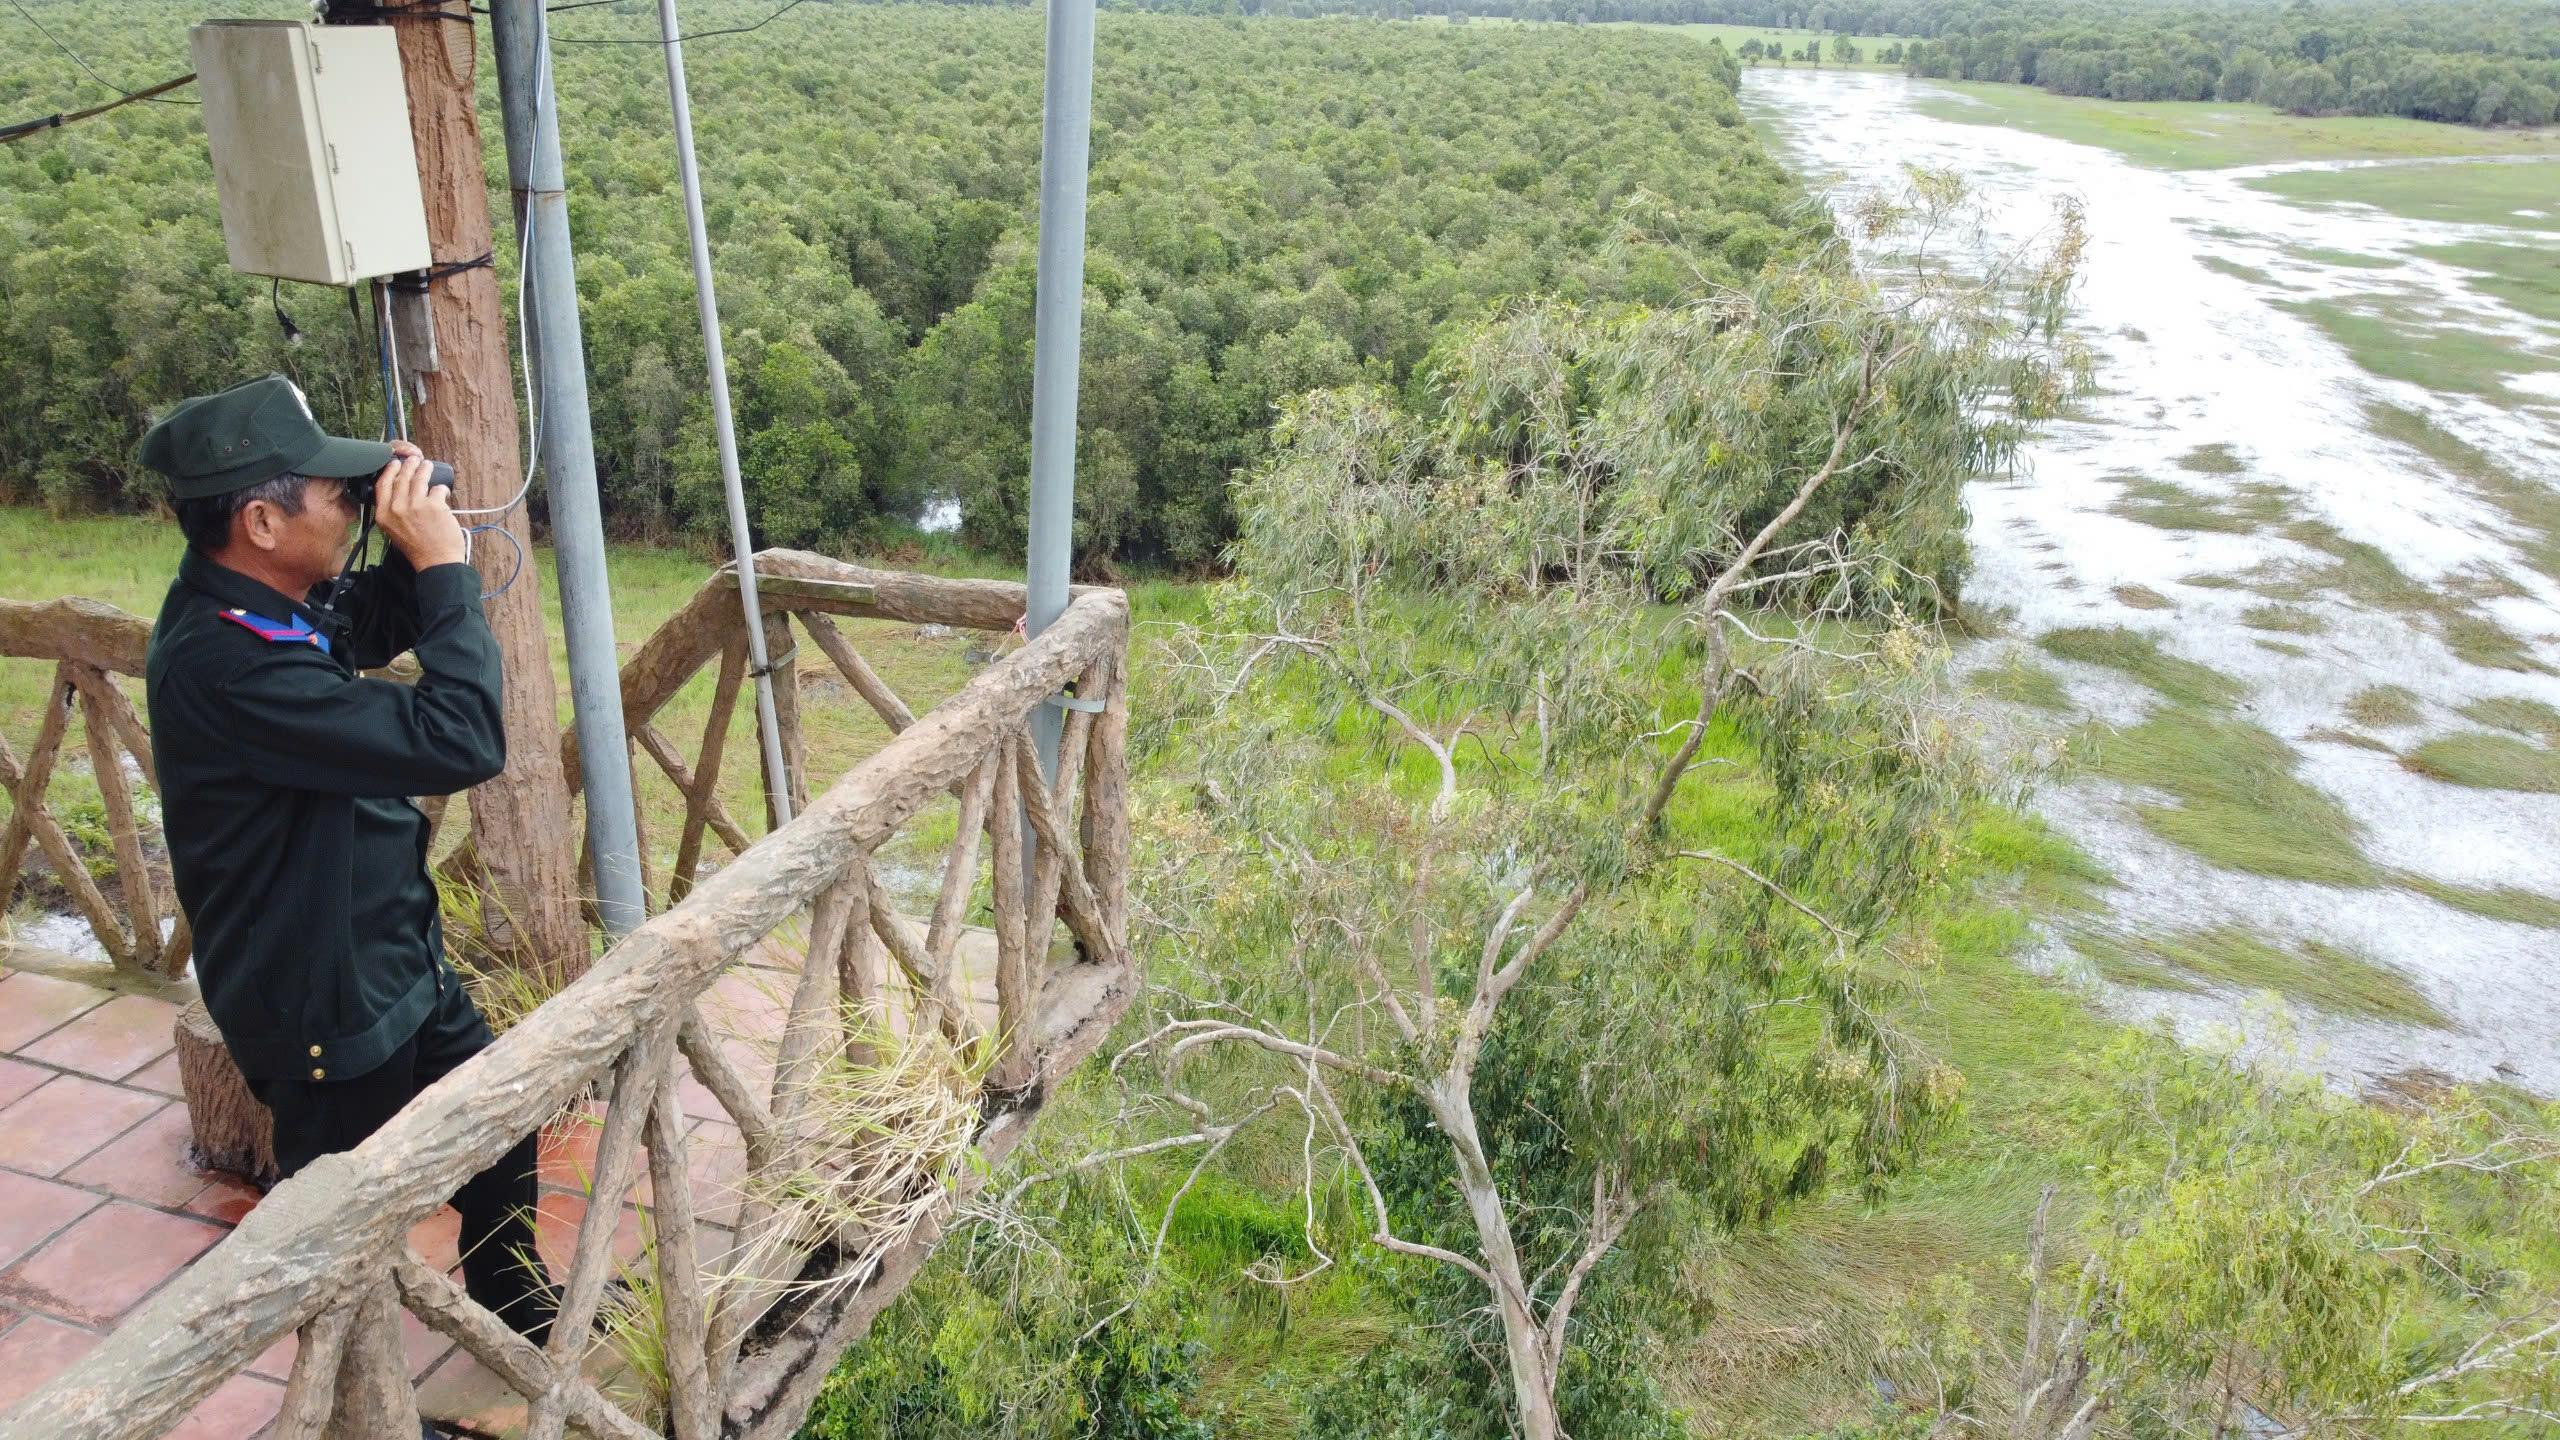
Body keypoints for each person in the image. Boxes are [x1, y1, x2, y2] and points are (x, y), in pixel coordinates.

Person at [138, 375, 555, 1387]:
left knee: (499, 1122)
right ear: (260, 521)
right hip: (318, 998)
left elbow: (360, 622)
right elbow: (461, 737)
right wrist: (444, 569)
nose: (350, 507)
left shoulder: (261, 599)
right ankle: (356, 1404)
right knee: (345, 1237)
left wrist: (413, 534)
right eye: (335, 496)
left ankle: (514, 1303)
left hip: (391, 953)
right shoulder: (226, 661)